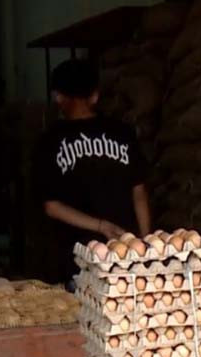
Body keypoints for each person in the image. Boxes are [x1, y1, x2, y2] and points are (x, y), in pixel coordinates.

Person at [37, 58, 151, 283]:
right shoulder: (122, 133)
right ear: (95, 96)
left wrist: (101, 227)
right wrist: (147, 246)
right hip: (126, 256)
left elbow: (52, 207)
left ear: (58, 97)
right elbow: (139, 193)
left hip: (79, 261)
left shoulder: (50, 140)